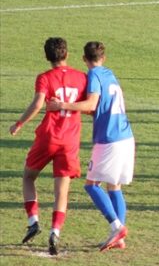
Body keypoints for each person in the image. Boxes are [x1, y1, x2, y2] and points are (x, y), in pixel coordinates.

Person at [47, 41, 134, 252]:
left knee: (91, 185)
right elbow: (99, 107)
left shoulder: (93, 76)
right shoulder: (109, 73)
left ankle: (116, 227)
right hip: (126, 136)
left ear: (84, 59)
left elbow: (92, 104)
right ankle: (118, 236)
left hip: (109, 139)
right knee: (114, 185)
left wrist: (62, 105)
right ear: (103, 58)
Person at [9, 37, 88, 256]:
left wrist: (19, 123)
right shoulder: (81, 77)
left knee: (28, 177)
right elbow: (89, 104)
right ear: (67, 54)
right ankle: (55, 231)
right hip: (70, 140)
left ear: (47, 57)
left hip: (48, 137)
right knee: (61, 190)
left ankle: (33, 220)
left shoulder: (44, 77)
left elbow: (37, 104)